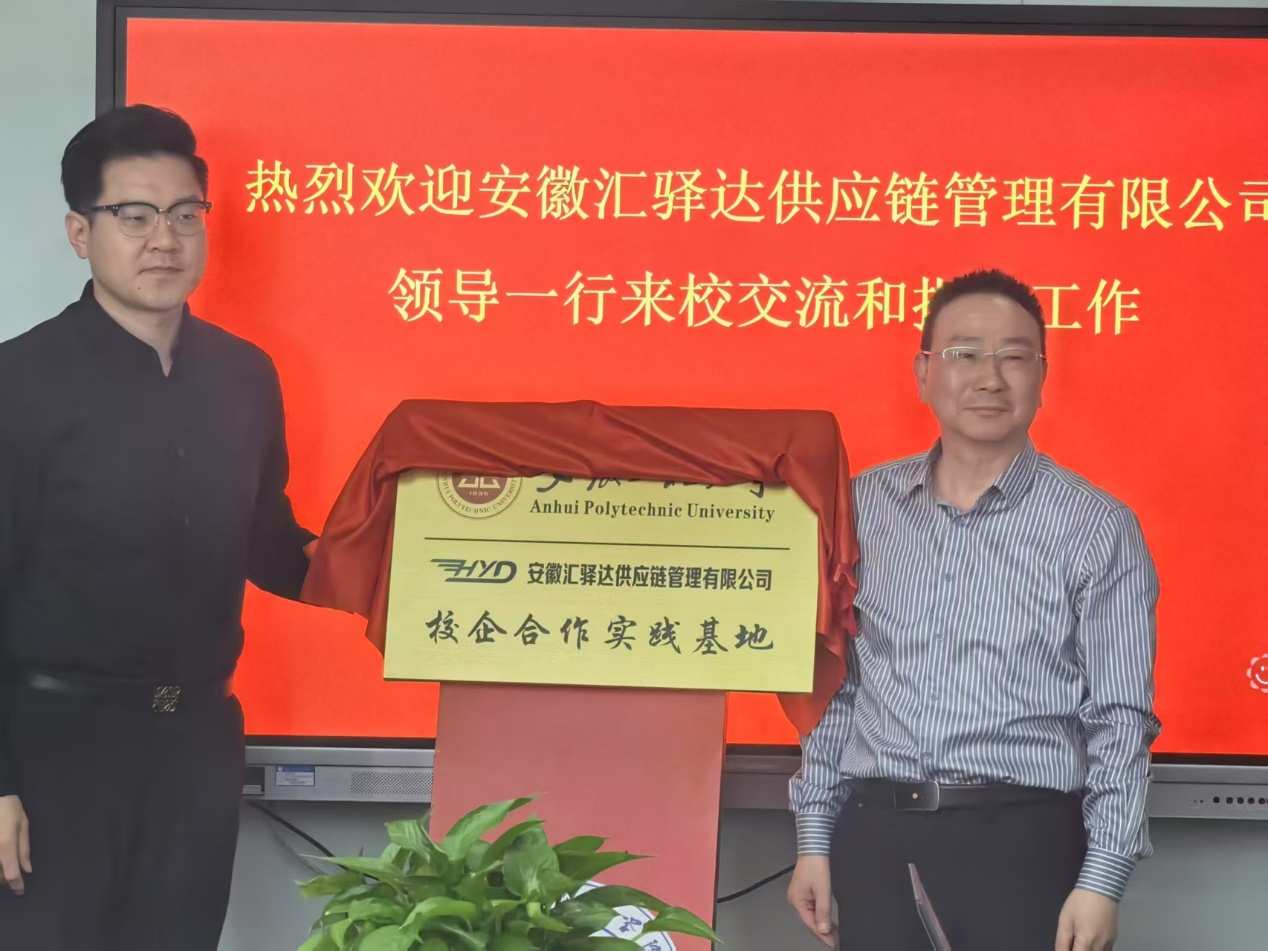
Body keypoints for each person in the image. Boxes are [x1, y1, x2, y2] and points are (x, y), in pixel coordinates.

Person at [0, 105, 316, 950]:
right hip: (54, 753)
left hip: (196, 749)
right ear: (81, 232)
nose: (165, 240)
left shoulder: (244, 377)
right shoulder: (19, 382)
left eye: (185, 214)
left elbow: (268, 541)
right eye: (134, 216)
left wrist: (396, 570)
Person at [786, 269, 1160, 951]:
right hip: (876, 836)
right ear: (924, 372)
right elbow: (839, 689)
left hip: (1025, 843)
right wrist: (815, 836)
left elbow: (1119, 719)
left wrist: (1103, 877)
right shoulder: (860, 511)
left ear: (1041, 377)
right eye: (964, 353)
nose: (990, 378)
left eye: (1014, 356)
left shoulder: (1097, 527)